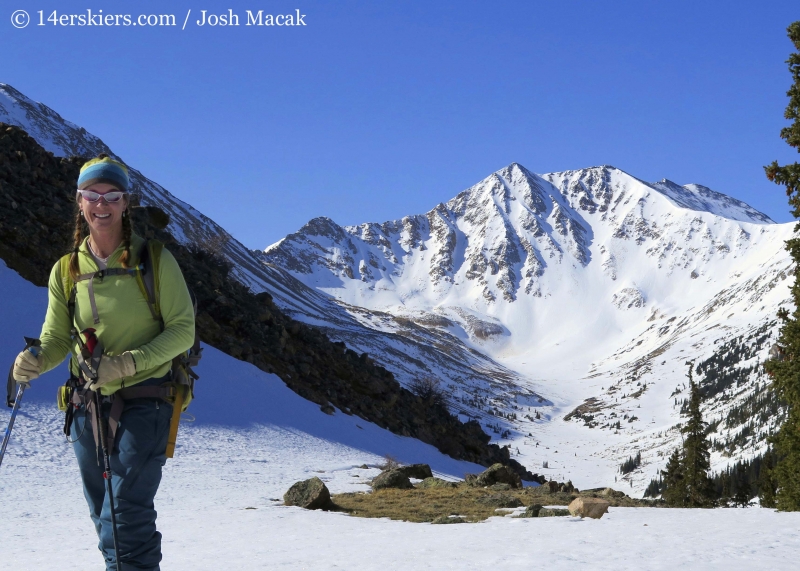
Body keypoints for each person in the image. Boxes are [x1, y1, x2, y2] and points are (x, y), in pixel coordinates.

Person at [12, 154, 195, 571]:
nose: (102, 204)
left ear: (125, 203)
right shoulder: (66, 270)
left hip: (148, 401)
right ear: (80, 201)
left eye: (112, 195)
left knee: (124, 514)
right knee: (105, 517)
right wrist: (37, 360)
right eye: (93, 195)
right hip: (86, 406)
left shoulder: (155, 261)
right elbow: (57, 338)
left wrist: (128, 364)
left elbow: (183, 329)